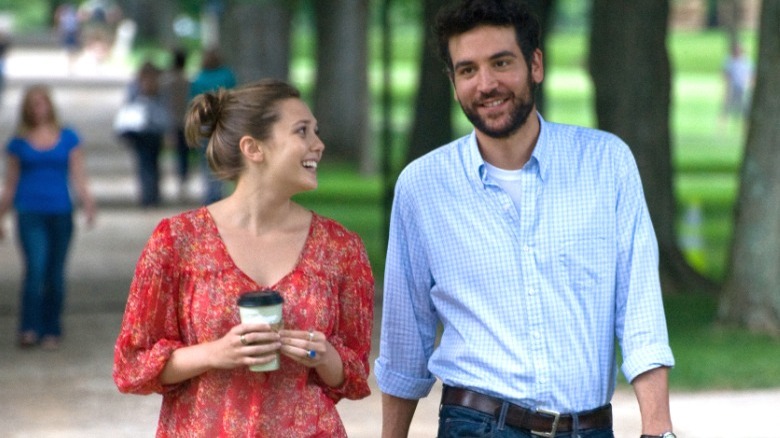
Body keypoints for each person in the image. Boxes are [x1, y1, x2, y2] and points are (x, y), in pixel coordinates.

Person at [374, 1, 676, 437]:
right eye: (467, 70)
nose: (486, 84)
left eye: (501, 63)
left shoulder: (607, 164)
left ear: (535, 64)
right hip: (475, 424)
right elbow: (405, 342)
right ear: (453, 81)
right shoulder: (422, 187)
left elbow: (640, 312)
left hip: (589, 426)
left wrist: (658, 428)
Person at [113, 79, 374, 437]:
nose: (319, 144)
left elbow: (356, 375)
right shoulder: (177, 241)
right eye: (302, 131)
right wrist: (214, 353)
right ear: (253, 148)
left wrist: (325, 356)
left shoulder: (341, 249)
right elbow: (132, 365)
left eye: (316, 131)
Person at [0, 84, 96, 350]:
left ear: (50, 106)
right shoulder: (18, 144)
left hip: (60, 212)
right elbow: (9, 183)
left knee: (55, 274)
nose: (38, 109)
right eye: (33, 104)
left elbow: (78, 176)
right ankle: (29, 326)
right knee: (36, 269)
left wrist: (87, 202)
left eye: (42, 103)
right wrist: (1, 215)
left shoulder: (68, 138)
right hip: (30, 212)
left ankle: (52, 327)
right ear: (26, 110)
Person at [188, 47, 237, 204]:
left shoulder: (198, 78)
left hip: (205, 123)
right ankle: (219, 191)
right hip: (224, 122)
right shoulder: (227, 75)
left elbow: (193, 102)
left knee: (206, 159)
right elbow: (234, 97)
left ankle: (209, 193)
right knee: (221, 158)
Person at [117, 61, 169, 207]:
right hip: (155, 131)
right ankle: (153, 195)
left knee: (143, 164)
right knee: (154, 164)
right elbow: (165, 110)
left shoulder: (135, 87)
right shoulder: (159, 87)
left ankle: (147, 196)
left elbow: (128, 106)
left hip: (139, 131)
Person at [160, 47, 193, 201]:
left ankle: (178, 180)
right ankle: (183, 179)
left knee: (174, 153)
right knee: (184, 153)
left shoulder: (166, 83)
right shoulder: (188, 82)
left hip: (171, 122)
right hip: (186, 121)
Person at [721, 42, 753, 123]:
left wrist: (749, 84)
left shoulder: (746, 61)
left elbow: (751, 74)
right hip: (732, 87)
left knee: (745, 108)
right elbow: (726, 74)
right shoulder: (729, 61)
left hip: (743, 87)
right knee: (726, 107)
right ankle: (721, 126)